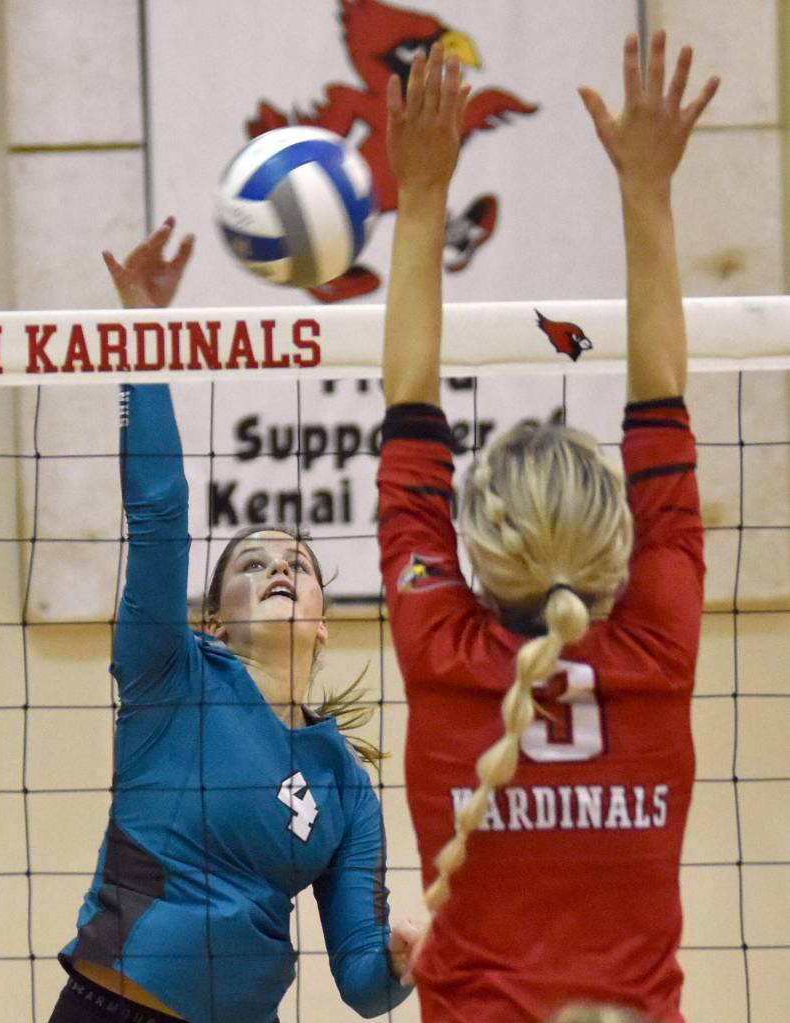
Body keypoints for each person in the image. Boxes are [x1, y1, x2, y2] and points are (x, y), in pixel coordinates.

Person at [377, 33, 718, 1023]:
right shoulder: (657, 643)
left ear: (477, 556)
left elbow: (406, 400)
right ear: (617, 547)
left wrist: (421, 193)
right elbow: (661, 395)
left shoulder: (441, 647)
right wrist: (649, 188)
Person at [47, 220, 417, 1023]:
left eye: (299, 564)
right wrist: (142, 331)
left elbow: (362, 983)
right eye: (253, 563)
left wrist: (403, 961)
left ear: (323, 623)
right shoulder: (168, 673)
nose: (280, 568)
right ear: (214, 617)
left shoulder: (345, 784)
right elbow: (158, 512)